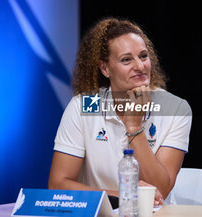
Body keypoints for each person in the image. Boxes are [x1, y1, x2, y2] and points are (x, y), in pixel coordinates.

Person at [48, 17, 192, 206]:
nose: (140, 67)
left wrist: (134, 127)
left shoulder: (175, 108)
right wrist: (120, 196)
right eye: (126, 60)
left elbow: (160, 190)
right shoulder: (84, 105)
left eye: (143, 56)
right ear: (105, 68)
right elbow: (58, 184)